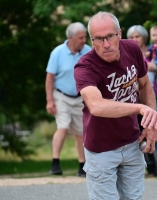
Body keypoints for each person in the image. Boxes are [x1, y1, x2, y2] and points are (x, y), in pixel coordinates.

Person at [74, 12, 157, 199]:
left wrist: (150, 124)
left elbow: (145, 85)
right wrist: (139, 108)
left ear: (119, 34)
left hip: (132, 142)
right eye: (98, 39)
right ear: (92, 40)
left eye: (110, 37)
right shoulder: (85, 67)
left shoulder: (132, 49)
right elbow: (96, 106)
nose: (105, 44)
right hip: (101, 149)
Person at [45, 22, 92, 177]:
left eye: (85, 37)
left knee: (81, 132)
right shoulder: (57, 52)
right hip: (61, 96)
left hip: (80, 98)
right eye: (81, 37)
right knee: (63, 127)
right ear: (70, 38)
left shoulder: (88, 52)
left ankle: (81, 166)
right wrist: (49, 100)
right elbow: (49, 79)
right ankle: (55, 163)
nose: (84, 40)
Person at [127, 25, 157, 149]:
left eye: (137, 36)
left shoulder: (154, 53)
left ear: (144, 38)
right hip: (135, 101)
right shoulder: (126, 55)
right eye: (131, 37)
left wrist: (155, 67)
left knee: (154, 128)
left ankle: (152, 160)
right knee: (136, 130)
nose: (134, 39)